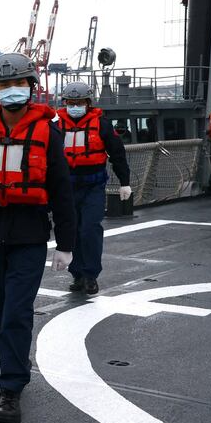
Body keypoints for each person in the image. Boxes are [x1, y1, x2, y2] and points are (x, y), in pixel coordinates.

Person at [0, 52, 76, 423]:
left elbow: (62, 191)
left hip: (29, 238)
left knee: (17, 312)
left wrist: (67, 244)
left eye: (18, 83)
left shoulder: (49, 136)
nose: (11, 91)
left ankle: (10, 389)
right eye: (4, 85)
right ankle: (18, 356)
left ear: (31, 88)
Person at [56, 81, 131, 295]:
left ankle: (90, 275)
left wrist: (124, 182)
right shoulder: (56, 127)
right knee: (72, 232)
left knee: (89, 229)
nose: (75, 106)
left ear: (88, 103)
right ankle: (77, 274)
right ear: (65, 103)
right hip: (67, 189)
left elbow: (117, 154)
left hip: (93, 187)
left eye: (79, 102)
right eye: (71, 102)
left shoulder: (102, 125)